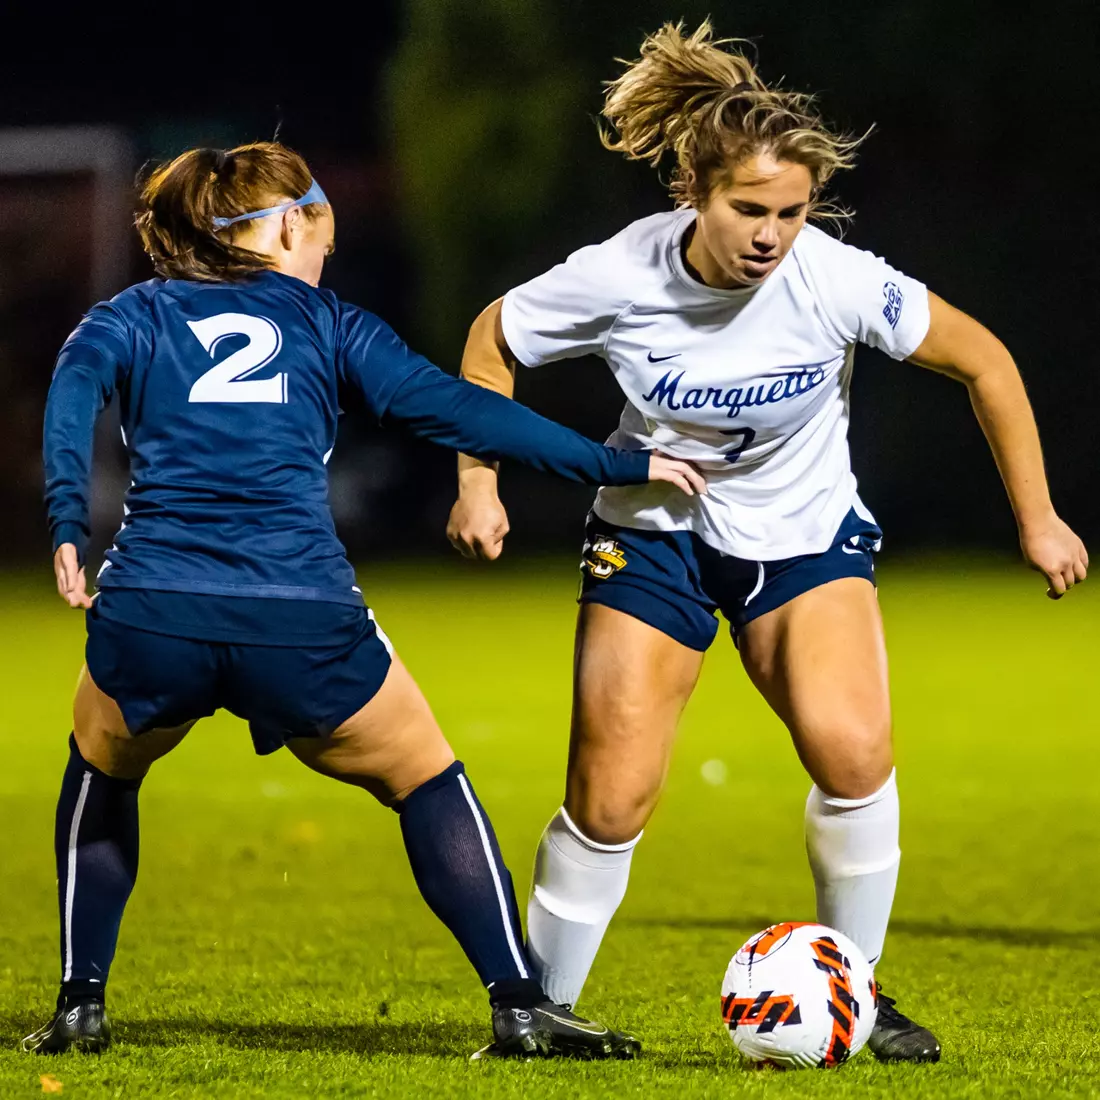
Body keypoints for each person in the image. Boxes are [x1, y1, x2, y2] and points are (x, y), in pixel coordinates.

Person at [446, 21, 1089, 1064]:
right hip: (654, 537)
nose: (770, 234)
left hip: (802, 534)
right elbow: (491, 339)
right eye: (748, 209)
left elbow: (986, 361)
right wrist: (477, 482)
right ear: (694, 193)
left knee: (853, 752)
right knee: (609, 798)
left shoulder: (833, 278)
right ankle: (541, 1014)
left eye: (790, 212)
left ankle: (854, 993)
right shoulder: (618, 274)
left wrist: (1037, 515)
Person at [25, 140, 707, 1061]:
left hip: (155, 609)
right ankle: (520, 1004)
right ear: (284, 227)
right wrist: (616, 463)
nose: (325, 257)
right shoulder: (326, 322)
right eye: (320, 239)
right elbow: (462, 411)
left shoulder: (130, 314)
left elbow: (73, 391)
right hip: (300, 618)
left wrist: (68, 519)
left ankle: (80, 1003)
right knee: (426, 777)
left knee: (102, 765)